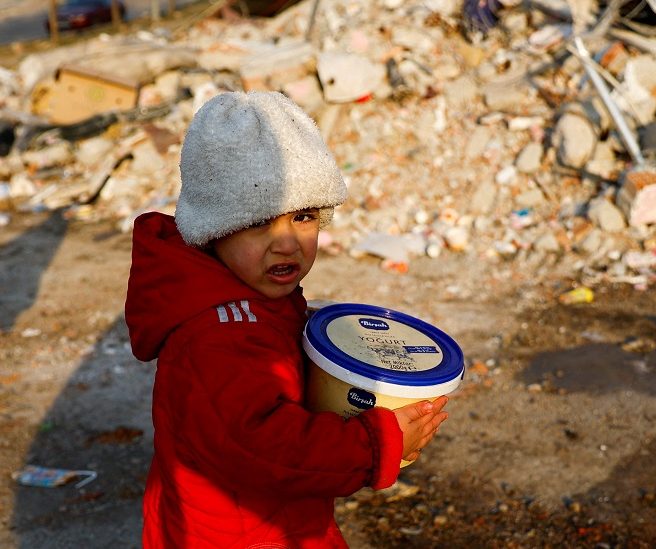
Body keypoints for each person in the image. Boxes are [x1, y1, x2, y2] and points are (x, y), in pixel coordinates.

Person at [125, 91, 449, 548]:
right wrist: (377, 445)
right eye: (259, 222)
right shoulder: (215, 339)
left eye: (303, 217)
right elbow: (263, 445)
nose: (286, 243)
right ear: (213, 229)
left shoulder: (248, 296)